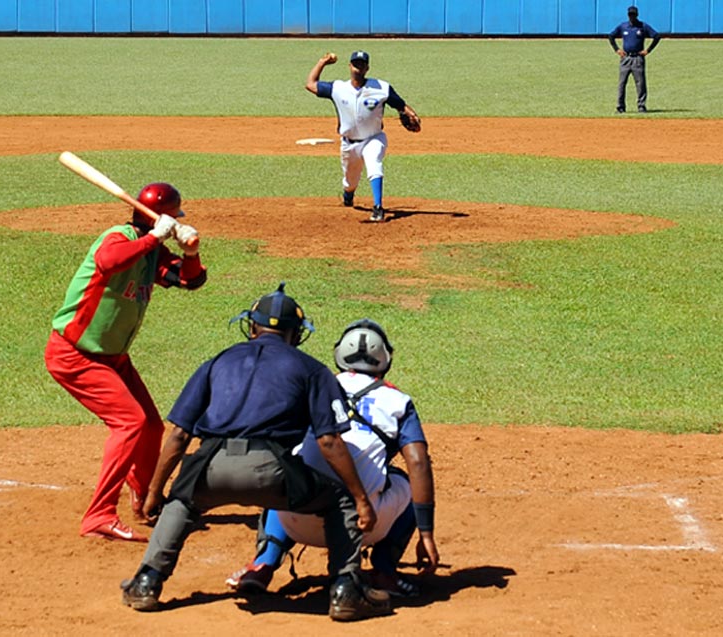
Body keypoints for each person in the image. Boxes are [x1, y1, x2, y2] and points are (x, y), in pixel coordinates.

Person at [120, 284, 391, 622]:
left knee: (182, 501)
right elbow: (329, 442)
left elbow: (179, 435)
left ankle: (147, 582)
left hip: (210, 467)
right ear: (296, 334)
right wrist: (361, 499)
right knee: (341, 500)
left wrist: (154, 492)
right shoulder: (311, 369)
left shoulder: (217, 362)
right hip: (271, 472)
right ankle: (345, 590)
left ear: (251, 327)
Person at [227, 318, 439, 599]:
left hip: (295, 520)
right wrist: (426, 534)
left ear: (339, 354)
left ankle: (263, 563)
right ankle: (384, 571)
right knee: (401, 479)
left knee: (287, 469)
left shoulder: (310, 383)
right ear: (385, 359)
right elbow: (419, 462)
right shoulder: (398, 401)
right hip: (364, 526)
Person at [44, 182, 206, 542]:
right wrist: (154, 237)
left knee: (151, 426)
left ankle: (145, 498)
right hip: (75, 354)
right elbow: (109, 261)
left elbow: (189, 280)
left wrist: (191, 252)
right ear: (161, 218)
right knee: (130, 423)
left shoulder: (151, 251)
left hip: (113, 358)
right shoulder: (118, 237)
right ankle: (98, 516)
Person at [305, 50, 421, 223]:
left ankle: (378, 208)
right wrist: (322, 62)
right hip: (349, 144)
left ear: (367, 68)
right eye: (355, 64)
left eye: (362, 65)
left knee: (374, 164)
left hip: (374, 138)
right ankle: (348, 194)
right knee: (350, 182)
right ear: (350, 66)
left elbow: (400, 105)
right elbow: (311, 84)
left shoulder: (381, 88)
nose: (358, 68)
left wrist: (411, 113)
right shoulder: (338, 88)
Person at [608, 5, 661, 114]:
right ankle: (620, 107)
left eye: (634, 14)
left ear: (637, 15)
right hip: (626, 58)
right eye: (630, 15)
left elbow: (656, 36)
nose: (632, 17)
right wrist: (617, 49)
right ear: (628, 15)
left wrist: (648, 50)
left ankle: (641, 106)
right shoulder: (623, 26)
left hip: (638, 58)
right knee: (622, 83)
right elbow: (611, 36)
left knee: (640, 83)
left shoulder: (642, 26)